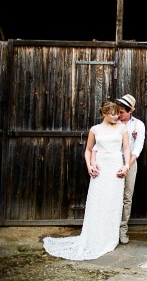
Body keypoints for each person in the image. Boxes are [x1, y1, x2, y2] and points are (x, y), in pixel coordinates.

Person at [43, 101, 131, 261]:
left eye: (117, 113)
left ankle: (109, 238)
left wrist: (126, 166)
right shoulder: (95, 130)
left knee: (112, 202)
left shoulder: (122, 128)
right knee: (98, 201)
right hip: (101, 169)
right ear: (104, 113)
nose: (116, 116)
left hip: (115, 169)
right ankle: (94, 236)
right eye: (112, 113)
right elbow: (88, 150)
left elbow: (126, 149)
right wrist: (90, 165)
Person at [114, 94, 146, 244]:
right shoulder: (113, 122)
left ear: (130, 111)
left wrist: (127, 165)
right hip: (113, 162)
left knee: (127, 197)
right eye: (118, 111)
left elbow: (137, 148)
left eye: (121, 112)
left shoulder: (138, 125)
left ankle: (122, 231)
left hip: (131, 162)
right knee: (112, 195)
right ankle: (110, 230)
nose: (118, 114)